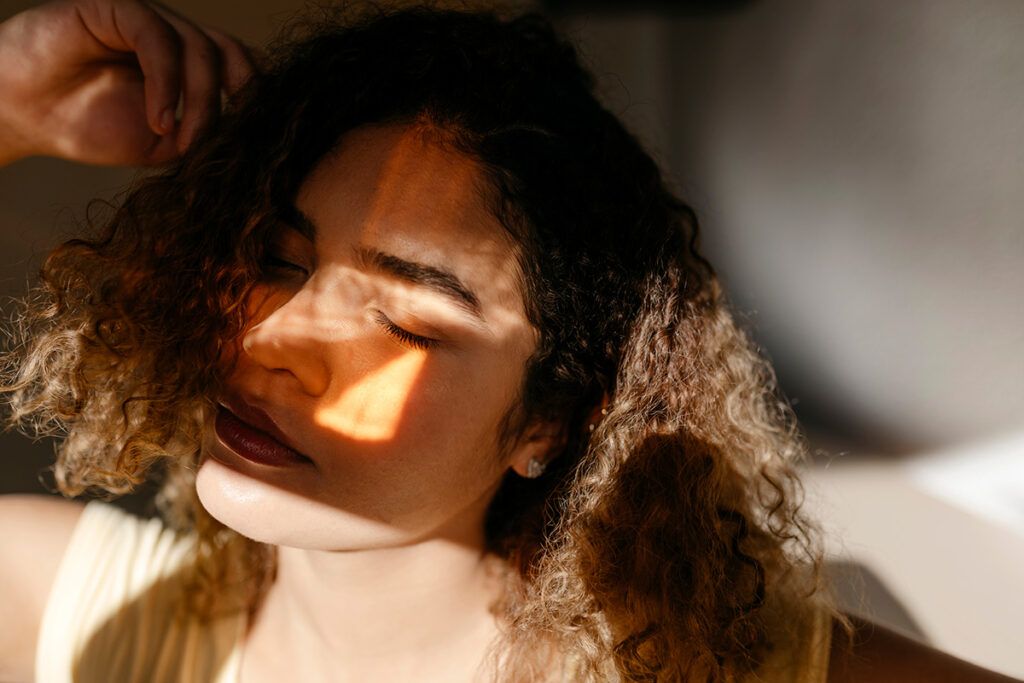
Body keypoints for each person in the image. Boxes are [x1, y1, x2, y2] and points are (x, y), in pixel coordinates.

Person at [0, 1, 1017, 682]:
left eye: (408, 320)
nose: (272, 336)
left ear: (548, 418)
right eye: (274, 255)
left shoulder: (707, 664)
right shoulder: (80, 609)